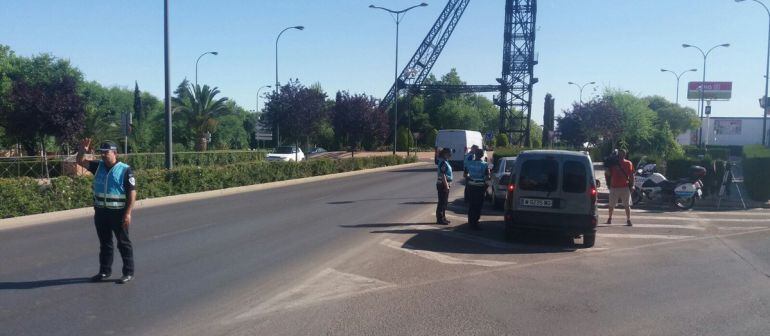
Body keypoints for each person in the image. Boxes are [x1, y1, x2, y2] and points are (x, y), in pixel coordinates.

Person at [76, 139, 137, 284]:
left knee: (123, 243)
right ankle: (104, 271)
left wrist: (128, 213)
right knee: (105, 243)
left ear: (115, 153)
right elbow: (80, 161)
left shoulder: (125, 169)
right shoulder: (98, 166)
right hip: (101, 212)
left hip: (118, 213)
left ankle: (128, 272)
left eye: (106, 152)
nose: (103, 155)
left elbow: (132, 193)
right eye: (101, 153)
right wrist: (82, 150)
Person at [605, 149, 634, 226]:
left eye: (623, 154)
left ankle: (628, 219)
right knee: (611, 204)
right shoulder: (613, 163)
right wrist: (607, 168)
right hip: (614, 186)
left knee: (627, 205)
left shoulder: (628, 163)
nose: (621, 156)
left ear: (625, 155)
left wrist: (632, 185)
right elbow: (608, 173)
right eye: (620, 154)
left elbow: (631, 175)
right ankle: (609, 218)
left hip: (624, 187)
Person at [464, 148, 490, 230]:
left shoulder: (469, 163)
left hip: (471, 186)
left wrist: (471, 178)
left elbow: (465, 175)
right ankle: (475, 223)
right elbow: (487, 177)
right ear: (482, 155)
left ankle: (470, 222)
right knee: (478, 206)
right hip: (480, 188)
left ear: (475, 154)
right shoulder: (485, 165)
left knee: (471, 205)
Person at [436, 148, 453, 225]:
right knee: (442, 202)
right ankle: (440, 219)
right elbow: (443, 175)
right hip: (442, 184)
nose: (450, 155)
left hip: (443, 184)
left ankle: (443, 217)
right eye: (449, 154)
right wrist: (446, 186)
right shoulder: (443, 162)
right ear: (445, 154)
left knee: (444, 202)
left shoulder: (445, 161)